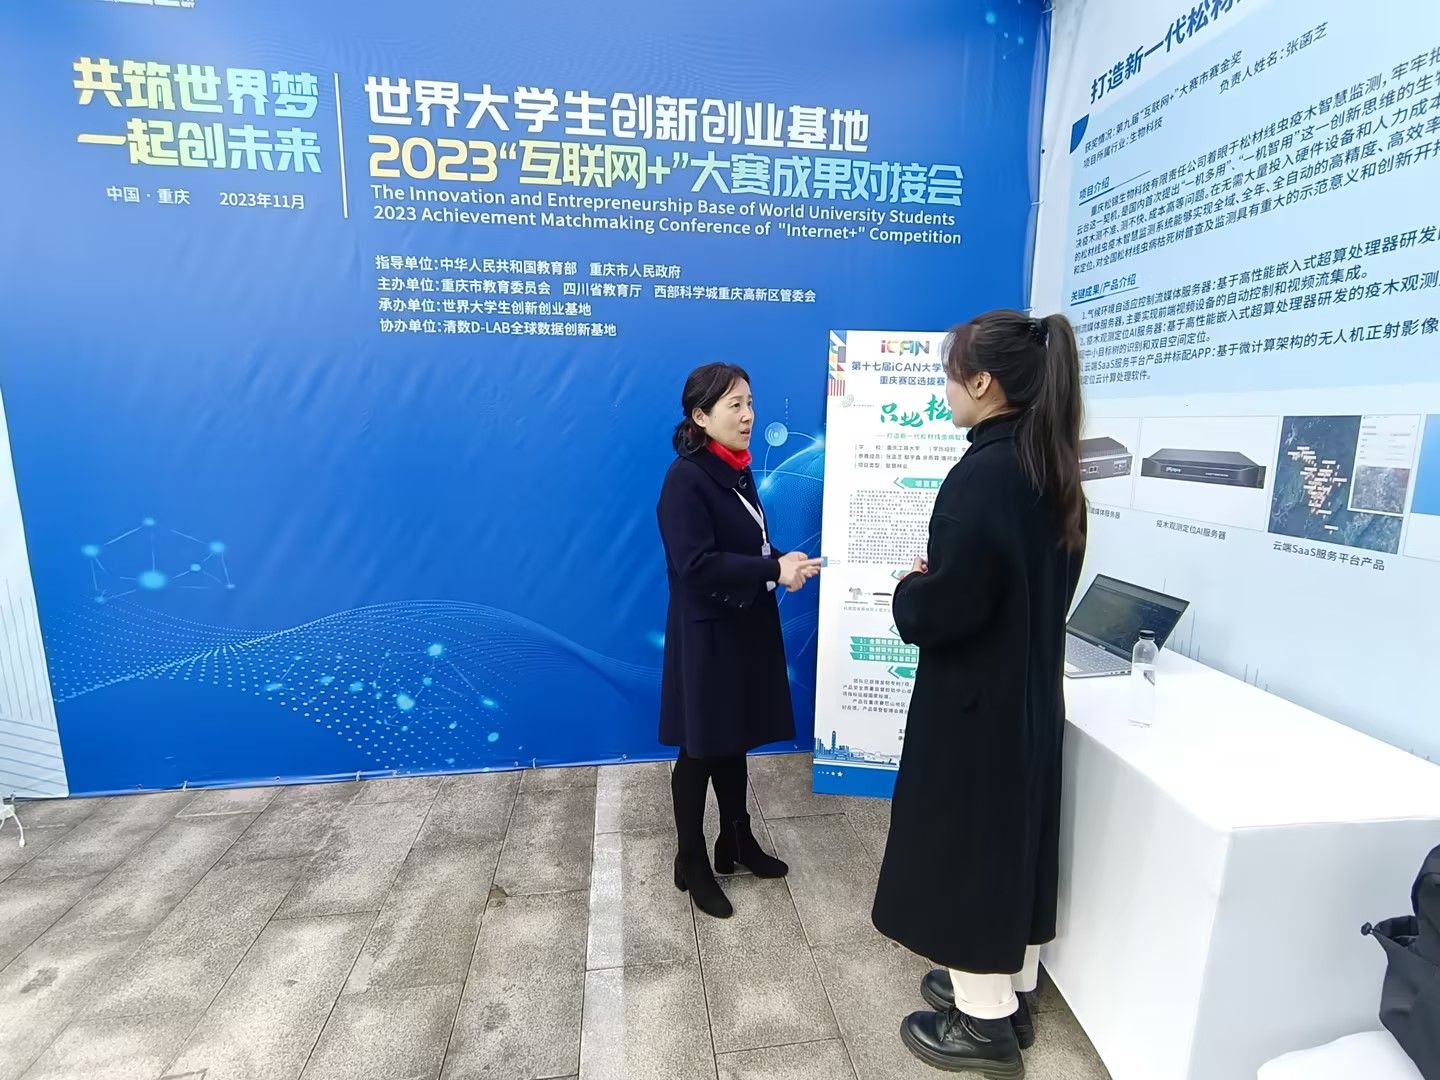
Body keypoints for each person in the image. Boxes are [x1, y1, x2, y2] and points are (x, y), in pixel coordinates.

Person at [872, 310, 1087, 1076]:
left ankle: (984, 1022)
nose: (947, 391)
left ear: (984, 382)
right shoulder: (1052, 468)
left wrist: (910, 590)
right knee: (1012, 845)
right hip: (1027, 696)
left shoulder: (983, 475)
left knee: (966, 854)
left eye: (951, 376)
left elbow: (948, 608)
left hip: (973, 707)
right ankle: (1010, 989)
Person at [656, 363, 820, 919]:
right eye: (735, 405)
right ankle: (691, 859)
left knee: (734, 738)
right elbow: (696, 564)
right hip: (708, 635)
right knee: (700, 748)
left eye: (750, 402)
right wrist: (773, 570)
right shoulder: (686, 479)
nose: (748, 415)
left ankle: (736, 840)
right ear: (701, 417)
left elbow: (746, 544)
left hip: (744, 625)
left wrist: (781, 559)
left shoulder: (736, 468)